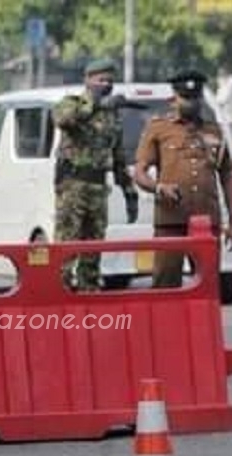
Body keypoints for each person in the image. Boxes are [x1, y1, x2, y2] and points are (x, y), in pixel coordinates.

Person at [132, 69, 232, 289]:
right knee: (165, 284)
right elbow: (140, 173)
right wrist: (159, 188)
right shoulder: (158, 129)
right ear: (174, 99)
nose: (192, 103)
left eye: (196, 97)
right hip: (170, 220)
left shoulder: (214, 131)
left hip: (206, 220)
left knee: (208, 286)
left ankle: (203, 325)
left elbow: (227, 176)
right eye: (186, 98)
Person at [52, 58, 138, 291]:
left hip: (98, 188)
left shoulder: (112, 116)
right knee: (66, 246)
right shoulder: (71, 103)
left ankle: (88, 293)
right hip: (72, 186)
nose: (106, 84)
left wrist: (129, 191)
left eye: (110, 81)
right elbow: (64, 119)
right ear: (88, 80)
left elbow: (118, 158)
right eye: (101, 80)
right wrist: (97, 103)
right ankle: (60, 293)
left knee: (93, 248)